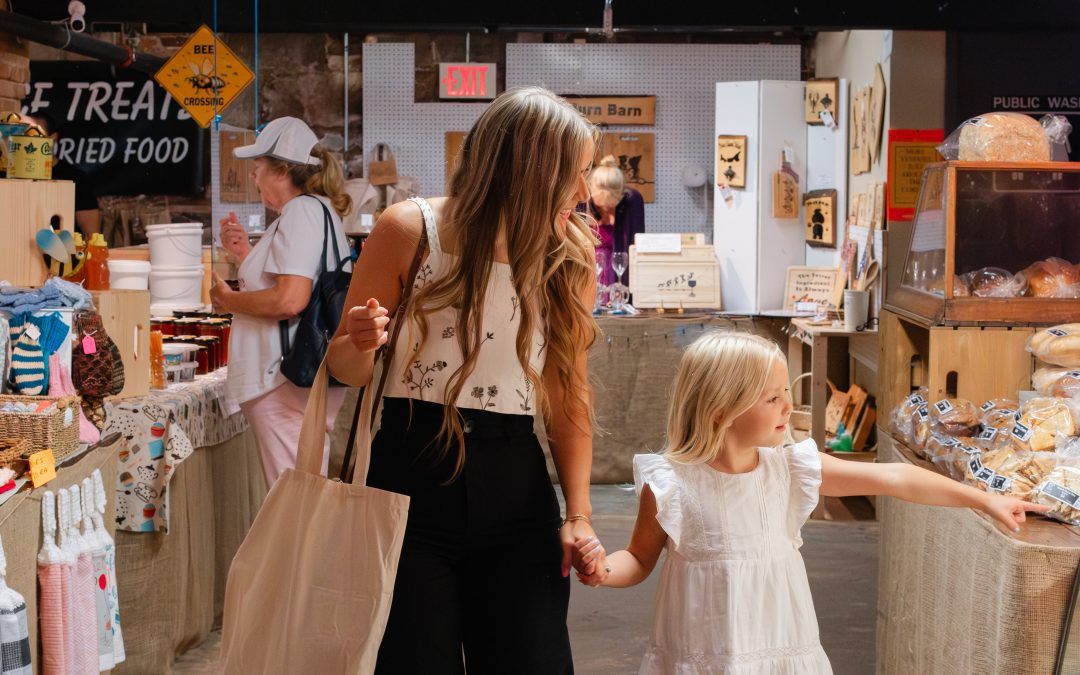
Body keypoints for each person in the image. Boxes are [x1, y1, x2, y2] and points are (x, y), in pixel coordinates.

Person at [325, 86, 605, 673]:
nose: (584, 193)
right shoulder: (408, 230)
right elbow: (347, 371)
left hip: (516, 480)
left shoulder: (568, 256)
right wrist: (358, 341)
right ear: (527, 170)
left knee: (532, 658)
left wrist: (577, 513)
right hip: (409, 474)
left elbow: (568, 397)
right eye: (573, 175)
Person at [575, 331, 1049, 673]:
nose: (787, 406)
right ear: (721, 408)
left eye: (787, 394)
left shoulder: (789, 468)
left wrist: (985, 500)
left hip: (781, 646)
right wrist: (602, 571)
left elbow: (895, 478)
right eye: (772, 398)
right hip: (703, 653)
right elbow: (638, 558)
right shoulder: (672, 484)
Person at [209, 116, 351, 488]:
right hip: (293, 379)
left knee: (293, 501)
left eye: (257, 169)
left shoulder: (302, 212)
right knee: (300, 494)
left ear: (282, 171)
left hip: (282, 379)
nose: (253, 177)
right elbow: (293, 280)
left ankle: (304, 551)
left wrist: (229, 300)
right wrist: (245, 255)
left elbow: (290, 299)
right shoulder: (312, 212)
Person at [24, 111, 102, 237]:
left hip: (63, 252)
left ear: (53, 138)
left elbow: (91, 234)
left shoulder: (76, 178)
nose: (29, 140)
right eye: (23, 135)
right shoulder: (11, 177)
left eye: (35, 134)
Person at [586, 155, 645, 286]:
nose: (607, 208)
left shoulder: (631, 201)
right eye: (602, 205)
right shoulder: (583, 203)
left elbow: (636, 246)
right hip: (590, 272)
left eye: (612, 204)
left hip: (621, 273)